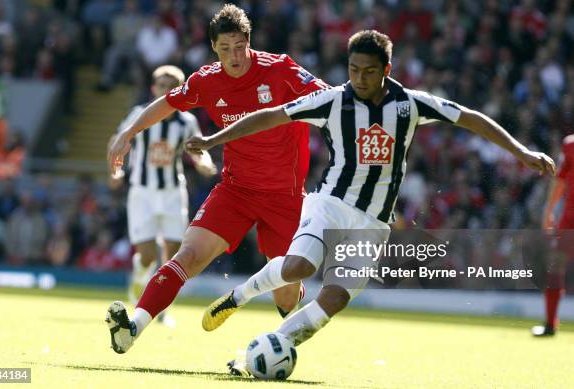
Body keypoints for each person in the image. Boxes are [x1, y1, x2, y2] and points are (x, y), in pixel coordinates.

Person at [186, 29, 555, 371]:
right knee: (299, 266)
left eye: (368, 71)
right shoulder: (332, 100)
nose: (359, 78)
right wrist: (212, 140)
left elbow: (469, 118)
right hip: (330, 202)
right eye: (353, 69)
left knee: (334, 300)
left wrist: (521, 152)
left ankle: (263, 352)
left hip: (375, 222)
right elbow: (272, 116)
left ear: (387, 69)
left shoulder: (410, 104)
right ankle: (238, 295)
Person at [105, 4, 327, 354]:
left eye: (239, 47)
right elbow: (168, 102)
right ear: (213, 47)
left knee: (285, 291)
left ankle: (280, 340)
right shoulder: (207, 81)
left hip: (285, 196)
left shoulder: (281, 70)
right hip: (235, 190)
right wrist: (130, 131)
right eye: (225, 49)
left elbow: (328, 99)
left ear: (249, 42)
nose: (234, 56)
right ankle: (133, 327)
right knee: (188, 255)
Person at [108, 65, 216, 309]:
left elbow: (198, 150)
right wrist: (116, 171)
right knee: (146, 255)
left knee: (174, 254)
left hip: (172, 192)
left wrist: (204, 163)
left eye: (171, 86)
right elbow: (116, 141)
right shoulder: (139, 114)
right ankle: (139, 277)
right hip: (142, 192)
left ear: (179, 90)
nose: (165, 90)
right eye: (161, 85)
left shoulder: (186, 121)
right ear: (153, 87)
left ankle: (160, 308)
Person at [534, 134, 574, 336]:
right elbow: (560, 181)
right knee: (555, 266)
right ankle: (550, 323)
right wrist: (549, 210)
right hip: (570, 219)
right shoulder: (570, 145)